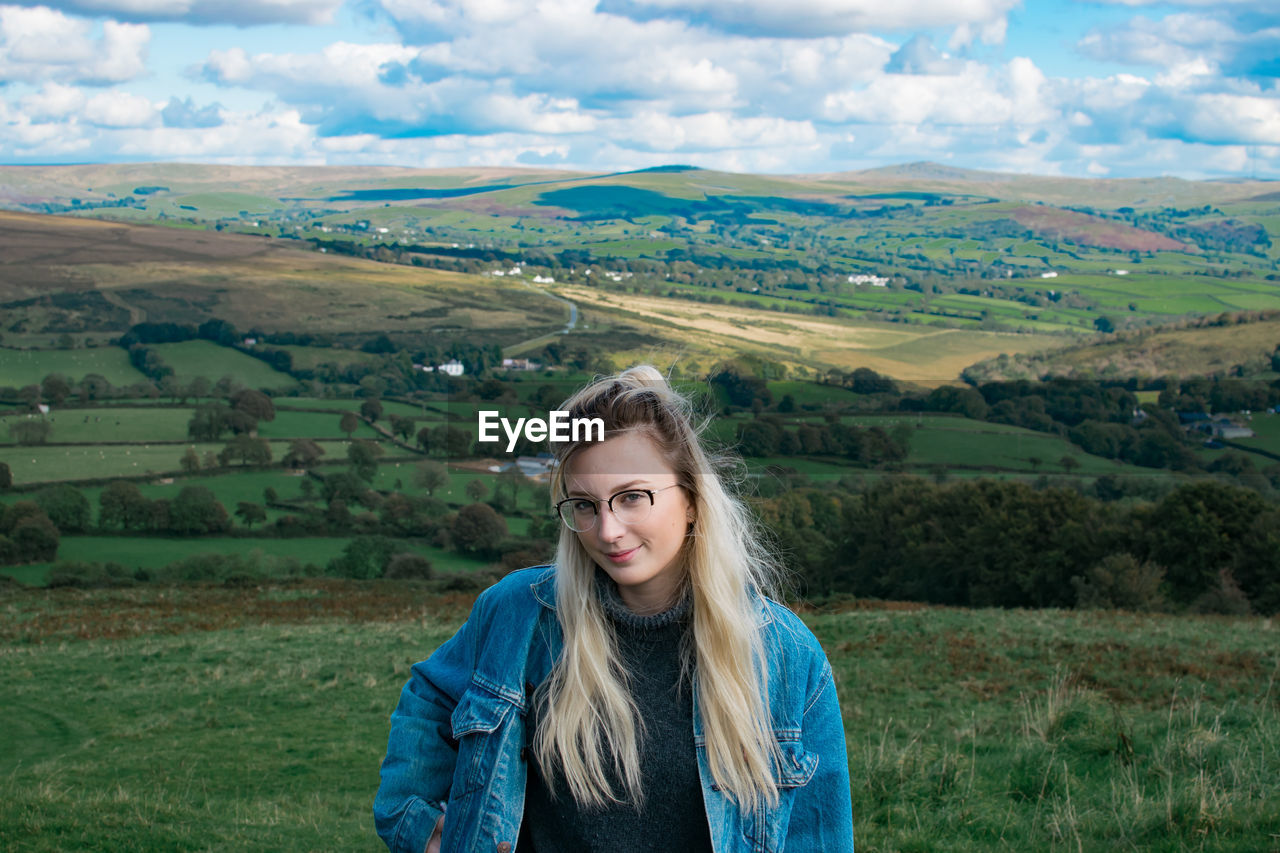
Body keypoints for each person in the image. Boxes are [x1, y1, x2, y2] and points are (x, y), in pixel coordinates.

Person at [374, 366, 853, 853]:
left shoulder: (786, 656)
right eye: (585, 505)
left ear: (691, 498)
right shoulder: (518, 613)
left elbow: (819, 833)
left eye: (631, 497)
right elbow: (430, 696)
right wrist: (421, 827)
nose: (607, 531)